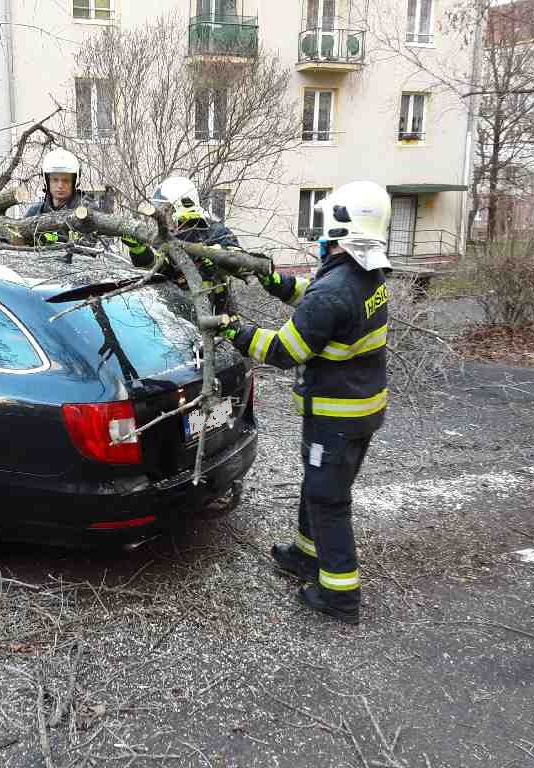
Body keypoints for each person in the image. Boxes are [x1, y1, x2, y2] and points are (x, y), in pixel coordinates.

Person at [219, 181, 391, 626]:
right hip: (362, 407)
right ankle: (304, 554)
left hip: (336, 414)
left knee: (328, 498)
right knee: (320, 486)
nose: (319, 235)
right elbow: (319, 299)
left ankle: (339, 594)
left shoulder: (335, 289)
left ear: (340, 228)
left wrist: (233, 330)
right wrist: (276, 283)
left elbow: (284, 350)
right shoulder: (365, 273)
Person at [122, 176, 238, 315]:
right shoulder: (168, 238)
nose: (162, 216)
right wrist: (140, 251)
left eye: (165, 210)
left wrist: (217, 256)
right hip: (179, 320)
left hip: (219, 318)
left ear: (182, 205)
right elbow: (158, 270)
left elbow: (241, 261)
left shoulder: (216, 232)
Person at [23, 148, 91, 244]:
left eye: (66, 180)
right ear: (47, 181)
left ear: (74, 182)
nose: (60, 186)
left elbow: (94, 247)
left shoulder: (86, 212)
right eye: (55, 180)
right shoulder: (35, 212)